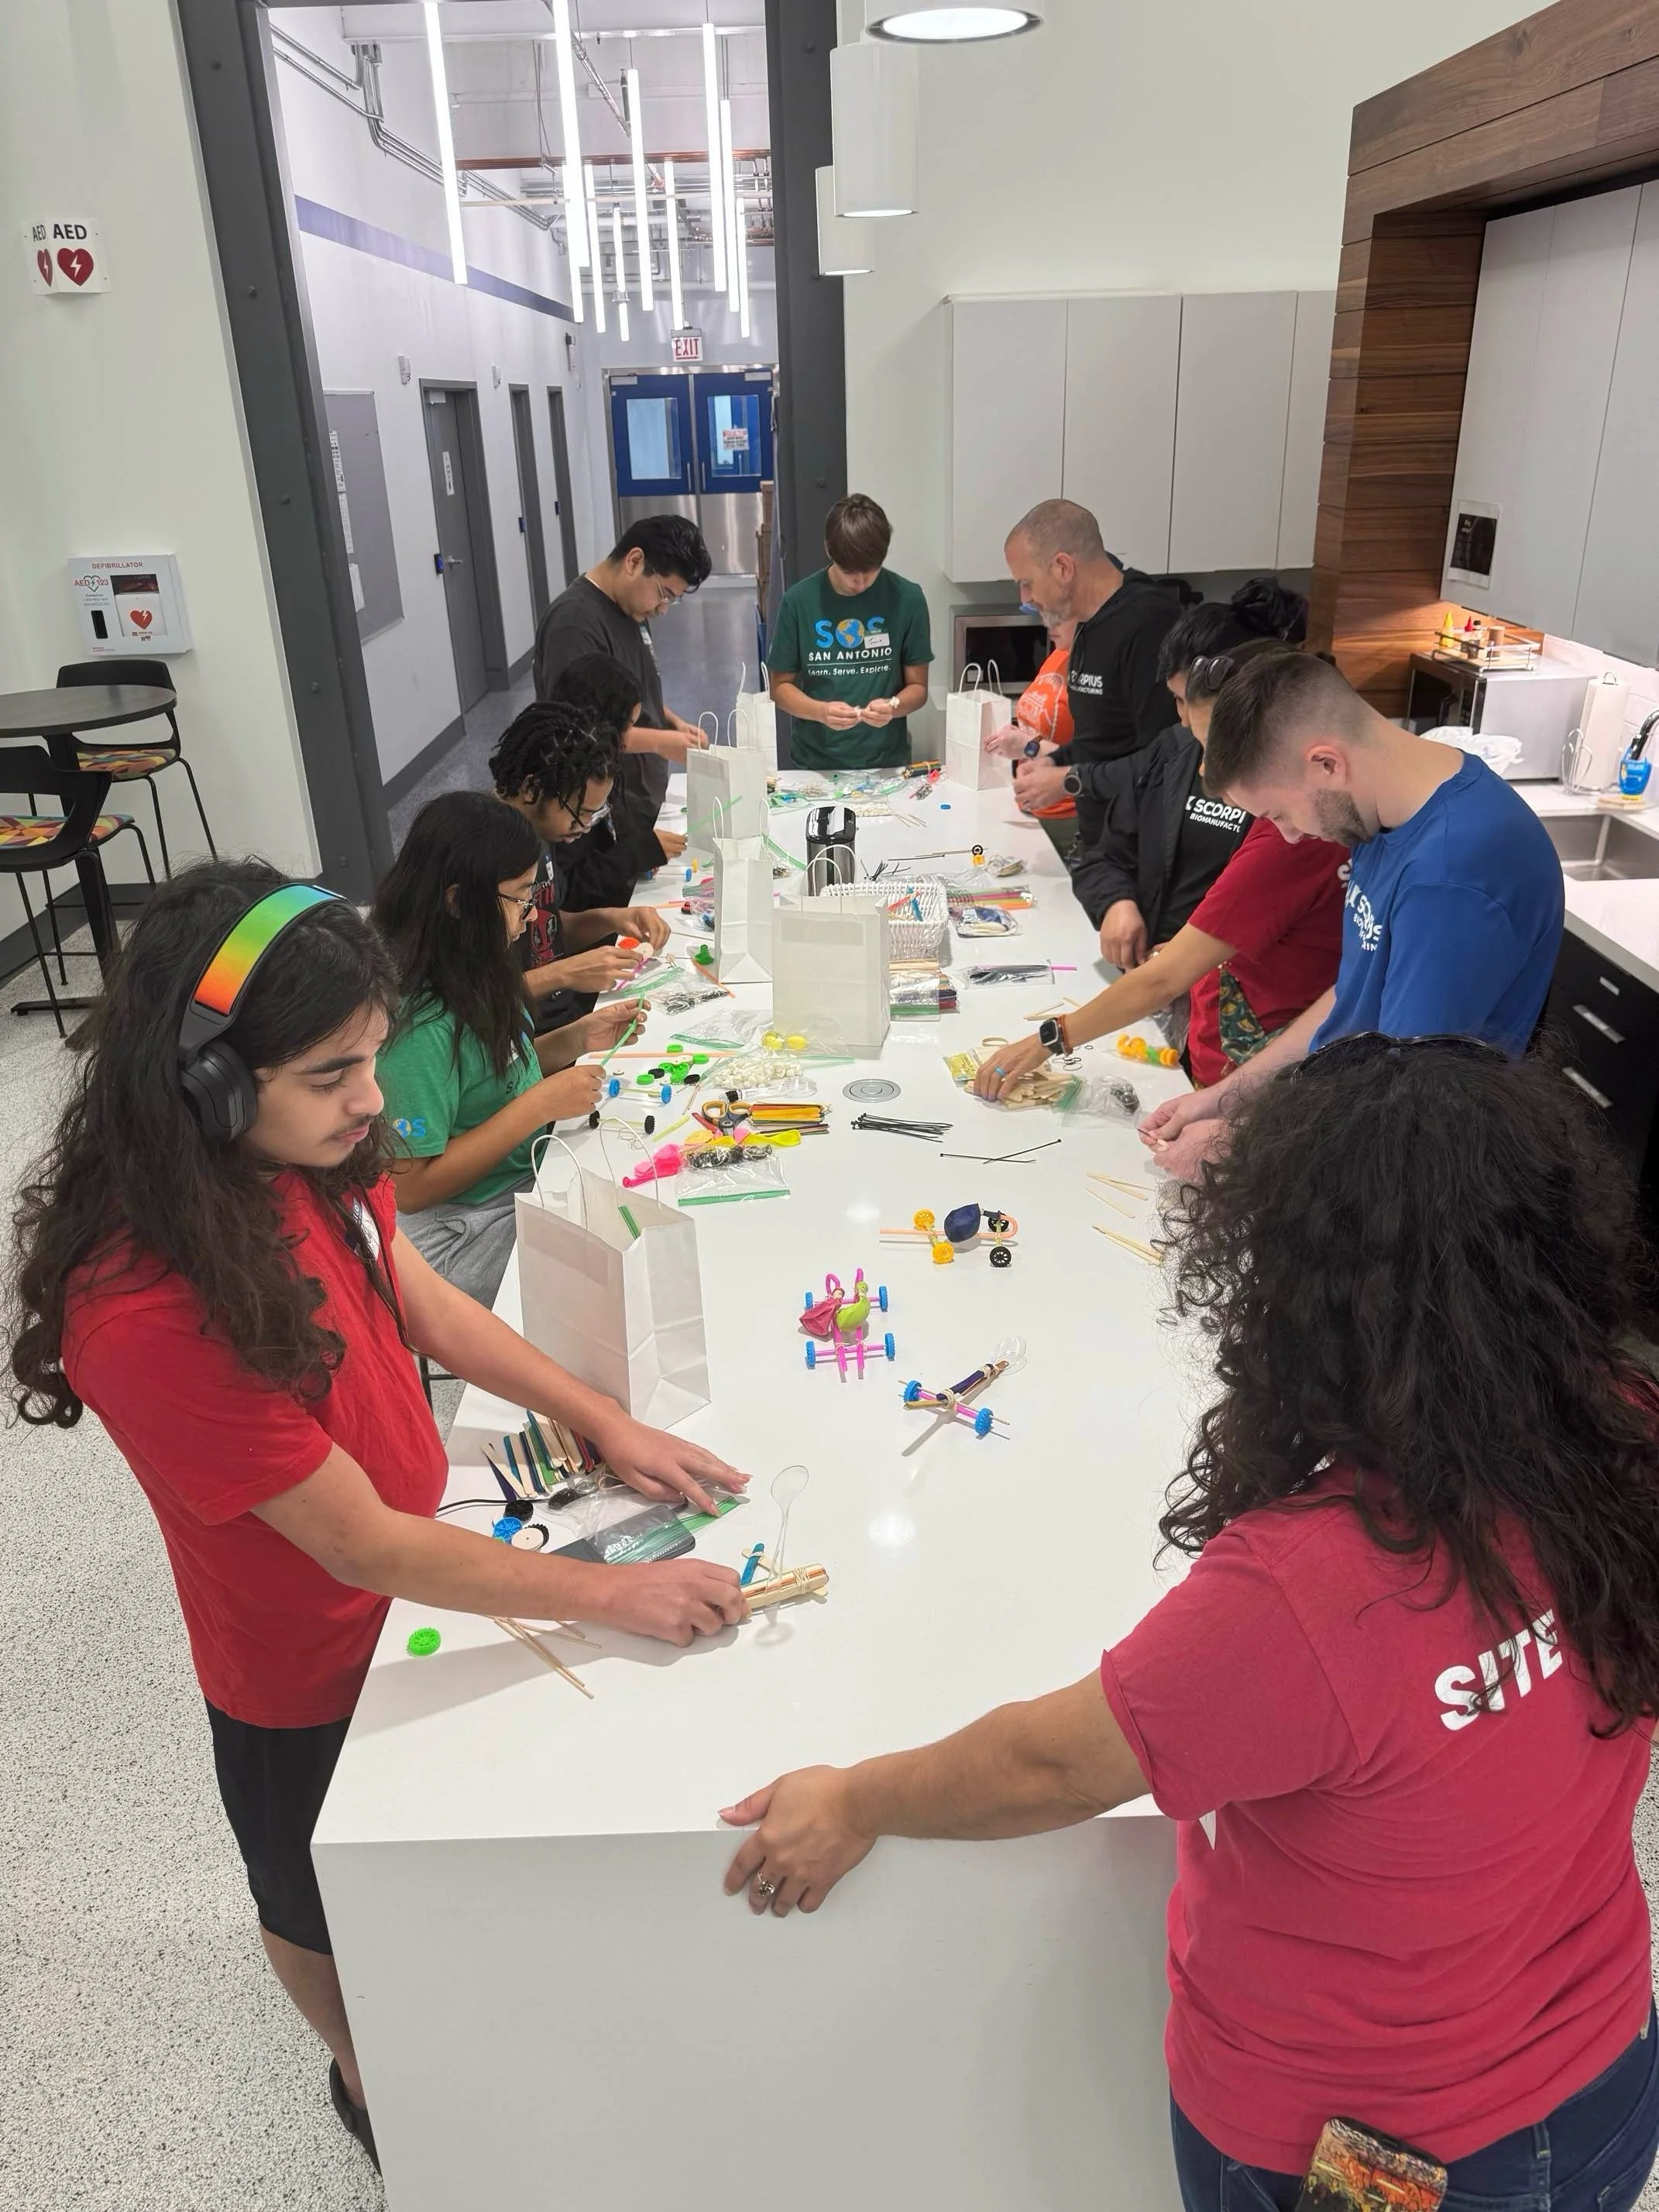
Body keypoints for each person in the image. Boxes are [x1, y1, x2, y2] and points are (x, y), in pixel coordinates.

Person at [720, 1040, 1659, 2211]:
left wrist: (853, 1799)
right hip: (1608, 2079)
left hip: (1375, 2154)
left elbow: (1048, 1763)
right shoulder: (1622, 1433)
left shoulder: (1314, 1587)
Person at [9, 860, 747, 2172]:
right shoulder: (138, 1307)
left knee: (435, 1858)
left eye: (370, 1060)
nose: (373, 1101)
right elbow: (356, 1544)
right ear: (212, 1083)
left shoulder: (313, 1150)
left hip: (419, 1572)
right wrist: (612, 1588)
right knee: (306, 1896)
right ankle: (366, 2074)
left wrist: (602, 1416)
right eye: (333, 1074)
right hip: (302, 1656)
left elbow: (413, 1291)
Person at [1139, 651, 1565, 1180]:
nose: (1288, 835)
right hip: (1351, 1125)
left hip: (1413, 1174)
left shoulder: (1450, 879)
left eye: (1279, 814)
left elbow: (1402, 1101)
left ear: (1326, 764)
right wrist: (1226, 1099)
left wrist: (1237, 1144)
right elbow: (1352, 994)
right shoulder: (1377, 813)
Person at [974, 640, 1344, 1101]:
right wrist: (1126, 908)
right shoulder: (1182, 758)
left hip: (1255, 1081)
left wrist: (1049, 1040)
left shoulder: (1296, 836)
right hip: (1209, 1051)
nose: (1208, 768)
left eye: (1215, 747)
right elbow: (1108, 851)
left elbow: (1168, 976)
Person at [373, 793, 636, 1307]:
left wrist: (579, 1037)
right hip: (455, 1230)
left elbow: (498, 1070)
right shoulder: (416, 1029)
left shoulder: (473, 960)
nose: (532, 911)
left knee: (638, 1215)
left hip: (520, 1175)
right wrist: (537, 1107)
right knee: (608, 1285)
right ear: (456, 901)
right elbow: (412, 1189)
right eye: (519, 896)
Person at [1070, 585, 1309, 968]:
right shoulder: (1173, 751)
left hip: (1223, 993)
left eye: (1188, 701)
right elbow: (1104, 858)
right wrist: (1117, 903)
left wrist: (1198, 959)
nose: (1182, 718)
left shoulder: (1292, 796)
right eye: (1175, 699)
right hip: (1151, 981)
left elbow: (1288, 926)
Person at [532, 514, 712, 879]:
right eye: (665, 594)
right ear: (634, 561)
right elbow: (581, 731)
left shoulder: (629, 607)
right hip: (602, 818)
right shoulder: (576, 624)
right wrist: (662, 742)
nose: (662, 609)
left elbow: (628, 694)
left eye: (672, 601)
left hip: (637, 803)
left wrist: (669, 718)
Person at [1001, 500, 1186, 852]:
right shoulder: (1087, 624)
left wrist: (1068, 781)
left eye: (1027, 583)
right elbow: (1100, 740)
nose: (1025, 599)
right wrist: (1052, 762)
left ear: (1062, 568)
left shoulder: (1150, 624)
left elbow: (1167, 762)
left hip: (1141, 851)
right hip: (1100, 842)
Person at [489, 691, 668, 1036]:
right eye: (579, 814)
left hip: (564, 1019)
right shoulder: (485, 855)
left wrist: (612, 918)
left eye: (593, 815)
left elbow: (546, 931)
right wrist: (565, 973)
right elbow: (468, 1000)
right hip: (524, 1045)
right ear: (532, 788)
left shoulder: (543, 834)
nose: (584, 828)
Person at [765, 493, 933, 771]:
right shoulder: (799, 601)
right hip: (815, 764)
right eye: (849, 572)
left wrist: (893, 706)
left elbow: (918, 688)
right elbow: (780, 688)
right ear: (829, 550)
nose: (861, 582)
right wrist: (820, 711)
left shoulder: (908, 598)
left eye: (871, 570)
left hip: (886, 763)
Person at [984, 618, 1078, 828]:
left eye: (1057, 613)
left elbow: (1104, 767)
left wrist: (1029, 746)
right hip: (1029, 811)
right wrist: (1018, 740)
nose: (1047, 622)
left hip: (1066, 817)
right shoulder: (1059, 652)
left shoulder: (1096, 668)